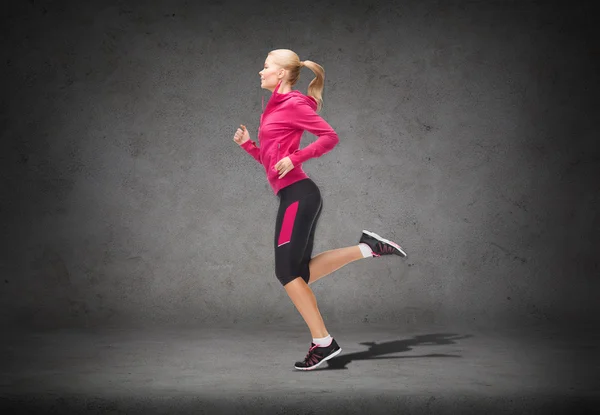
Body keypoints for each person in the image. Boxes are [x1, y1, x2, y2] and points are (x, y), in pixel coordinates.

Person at [233, 49, 407, 371]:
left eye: (267, 66)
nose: (261, 71)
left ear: (281, 74)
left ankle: (323, 343)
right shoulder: (272, 108)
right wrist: (249, 146)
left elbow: (330, 137)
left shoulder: (294, 104)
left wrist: (296, 158)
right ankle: (368, 247)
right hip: (292, 194)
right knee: (298, 274)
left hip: (299, 195)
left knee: (286, 274)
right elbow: (273, 164)